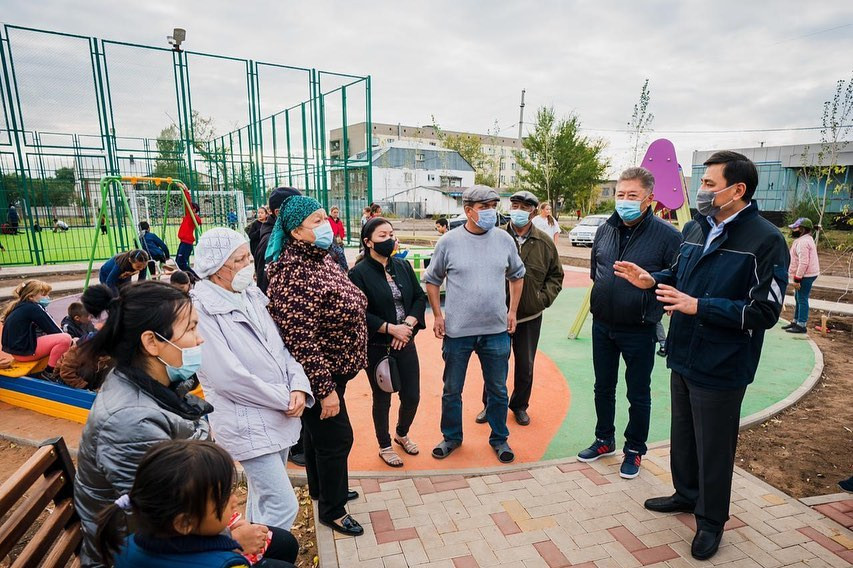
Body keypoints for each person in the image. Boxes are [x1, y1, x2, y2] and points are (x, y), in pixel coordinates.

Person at [614, 151, 790, 560]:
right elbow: (677, 276)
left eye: (710, 184)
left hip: (724, 363)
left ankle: (711, 522)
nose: (701, 191)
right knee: (685, 436)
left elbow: (764, 311)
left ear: (738, 190)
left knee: (714, 446)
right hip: (683, 353)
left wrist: (700, 306)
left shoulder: (766, 240)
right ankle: (686, 494)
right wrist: (650, 279)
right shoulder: (695, 228)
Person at [73, 281, 284, 567]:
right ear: (151, 342)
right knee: (281, 555)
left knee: (283, 544)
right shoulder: (131, 421)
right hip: (146, 551)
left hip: (176, 532)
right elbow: (166, 517)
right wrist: (232, 538)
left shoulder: (153, 383)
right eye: (190, 329)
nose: (200, 339)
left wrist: (233, 525)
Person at [192, 227, 314, 531]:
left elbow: (282, 349)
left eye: (248, 256)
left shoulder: (250, 295)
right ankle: (261, 556)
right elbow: (228, 377)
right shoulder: (202, 309)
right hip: (246, 422)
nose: (249, 263)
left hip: (276, 415)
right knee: (283, 504)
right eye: (240, 259)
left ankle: (256, 551)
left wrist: (298, 385)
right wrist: (284, 397)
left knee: (264, 497)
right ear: (219, 267)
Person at [265, 195, 367, 537]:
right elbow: (301, 341)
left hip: (336, 368)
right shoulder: (292, 271)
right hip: (319, 376)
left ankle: (323, 490)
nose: (327, 226)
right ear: (297, 231)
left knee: (317, 437)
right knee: (338, 438)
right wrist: (324, 392)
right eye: (317, 221)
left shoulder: (317, 257)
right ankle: (333, 511)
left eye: (325, 218)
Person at [577, 167, 682, 479]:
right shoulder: (605, 230)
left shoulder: (668, 236)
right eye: (620, 194)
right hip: (602, 325)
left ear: (648, 199)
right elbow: (597, 271)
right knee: (602, 386)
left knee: (638, 392)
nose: (624, 200)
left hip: (639, 327)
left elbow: (678, 277)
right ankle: (603, 439)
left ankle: (634, 449)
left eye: (632, 196)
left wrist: (652, 281)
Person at [423, 185, 525, 464]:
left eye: (494, 205)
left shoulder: (504, 240)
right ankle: (452, 437)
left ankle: (500, 438)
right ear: (468, 211)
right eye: (484, 207)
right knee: (452, 389)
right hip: (458, 333)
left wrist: (512, 311)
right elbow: (432, 280)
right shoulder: (449, 242)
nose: (491, 211)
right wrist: (438, 316)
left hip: (496, 331)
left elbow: (518, 276)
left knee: (498, 389)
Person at [96, 440, 299, 568]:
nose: (235, 501)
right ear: (184, 523)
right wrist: (235, 549)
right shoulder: (228, 564)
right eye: (224, 497)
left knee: (284, 542)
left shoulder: (128, 544)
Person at [474, 190, 564, 427]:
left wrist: (541, 299)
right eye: (515, 206)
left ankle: (520, 406)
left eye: (525, 208)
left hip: (530, 315)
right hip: (497, 314)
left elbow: (556, 275)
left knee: (525, 365)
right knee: (494, 363)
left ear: (533, 211)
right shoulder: (494, 237)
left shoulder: (544, 242)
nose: (519, 211)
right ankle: (490, 405)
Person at [348, 218, 426, 467]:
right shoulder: (358, 273)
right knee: (382, 399)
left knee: (412, 396)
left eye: (391, 234)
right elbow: (359, 312)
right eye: (382, 236)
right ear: (368, 242)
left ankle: (401, 434)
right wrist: (392, 329)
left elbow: (418, 297)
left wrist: (408, 327)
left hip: (406, 341)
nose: (389, 239)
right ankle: (384, 445)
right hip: (378, 347)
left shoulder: (401, 266)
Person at [0, 280, 72, 381]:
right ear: (31, 297)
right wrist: (73, 342)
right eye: (44, 294)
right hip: (25, 353)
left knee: (57, 339)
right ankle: (49, 373)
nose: (47, 297)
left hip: (17, 352)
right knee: (65, 339)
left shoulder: (20, 306)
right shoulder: (34, 308)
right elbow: (55, 330)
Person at [254, 187, 301, 293]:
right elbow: (264, 286)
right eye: (297, 207)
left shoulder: (294, 233)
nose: (303, 211)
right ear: (278, 212)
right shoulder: (270, 243)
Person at [784, 217, 820, 334]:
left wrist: (797, 279)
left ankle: (801, 325)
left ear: (802, 229)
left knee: (802, 298)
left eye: (796, 228)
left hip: (805, 275)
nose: (794, 230)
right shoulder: (806, 239)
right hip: (805, 274)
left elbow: (804, 262)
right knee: (798, 297)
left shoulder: (803, 242)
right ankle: (796, 321)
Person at [176, 189, 202, 278]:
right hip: (183, 242)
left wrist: (185, 190)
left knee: (181, 263)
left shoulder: (192, 216)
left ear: (193, 209)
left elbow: (187, 201)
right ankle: (191, 277)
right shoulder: (189, 216)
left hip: (186, 243)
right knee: (179, 262)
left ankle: (195, 277)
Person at [328, 206, 349, 273]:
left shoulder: (339, 221)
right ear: (331, 212)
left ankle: (342, 269)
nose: (336, 214)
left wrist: (342, 237)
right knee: (338, 253)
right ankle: (344, 268)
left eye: (337, 212)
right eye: (334, 212)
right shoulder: (328, 221)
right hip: (332, 239)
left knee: (341, 253)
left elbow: (342, 229)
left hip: (339, 239)